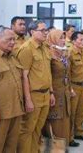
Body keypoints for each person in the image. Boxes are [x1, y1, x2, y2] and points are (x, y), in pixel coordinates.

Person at [16, 20, 55, 153]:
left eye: (46, 30)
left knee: (38, 128)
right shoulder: (26, 49)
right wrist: (28, 100)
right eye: (42, 30)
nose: (46, 33)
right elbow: (24, 76)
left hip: (45, 94)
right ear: (32, 32)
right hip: (33, 95)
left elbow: (47, 72)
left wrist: (51, 92)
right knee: (27, 130)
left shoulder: (44, 47)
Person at [45, 29, 78, 147]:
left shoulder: (63, 53)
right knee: (55, 120)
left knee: (65, 118)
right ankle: (54, 147)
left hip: (64, 91)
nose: (63, 40)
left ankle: (64, 144)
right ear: (53, 39)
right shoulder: (49, 54)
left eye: (64, 38)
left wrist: (70, 89)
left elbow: (67, 74)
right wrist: (50, 92)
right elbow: (47, 76)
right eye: (60, 38)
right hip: (55, 92)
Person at [68, 31, 83, 142]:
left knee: (82, 111)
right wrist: (70, 88)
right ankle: (70, 136)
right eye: (80, 40)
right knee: (72, 112)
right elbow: (67, 74)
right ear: (73, 41)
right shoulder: (70, 53)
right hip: (74, 86)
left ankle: (79, 132)